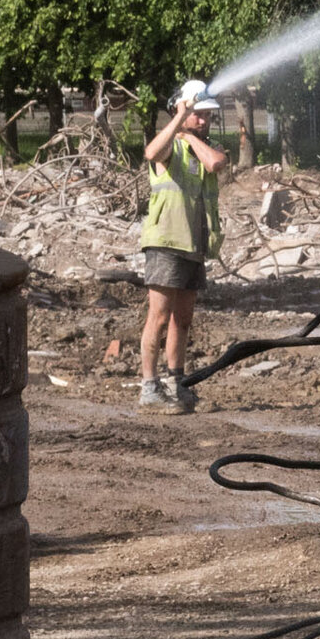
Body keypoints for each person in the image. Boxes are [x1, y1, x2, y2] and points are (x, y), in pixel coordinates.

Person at [134, 81, 228, 412]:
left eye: (207, 116)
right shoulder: (169, 146)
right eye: (198, 115)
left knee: (182, 320)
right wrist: (179, 126)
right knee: (158, 317)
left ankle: (176, 384)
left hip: (193, 245)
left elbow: (216, 163)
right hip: (165, 243)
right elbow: (151, 153)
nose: (204, 122)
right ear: (183, 111)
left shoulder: (201, 147)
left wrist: (189, 135)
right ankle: (149, 388)